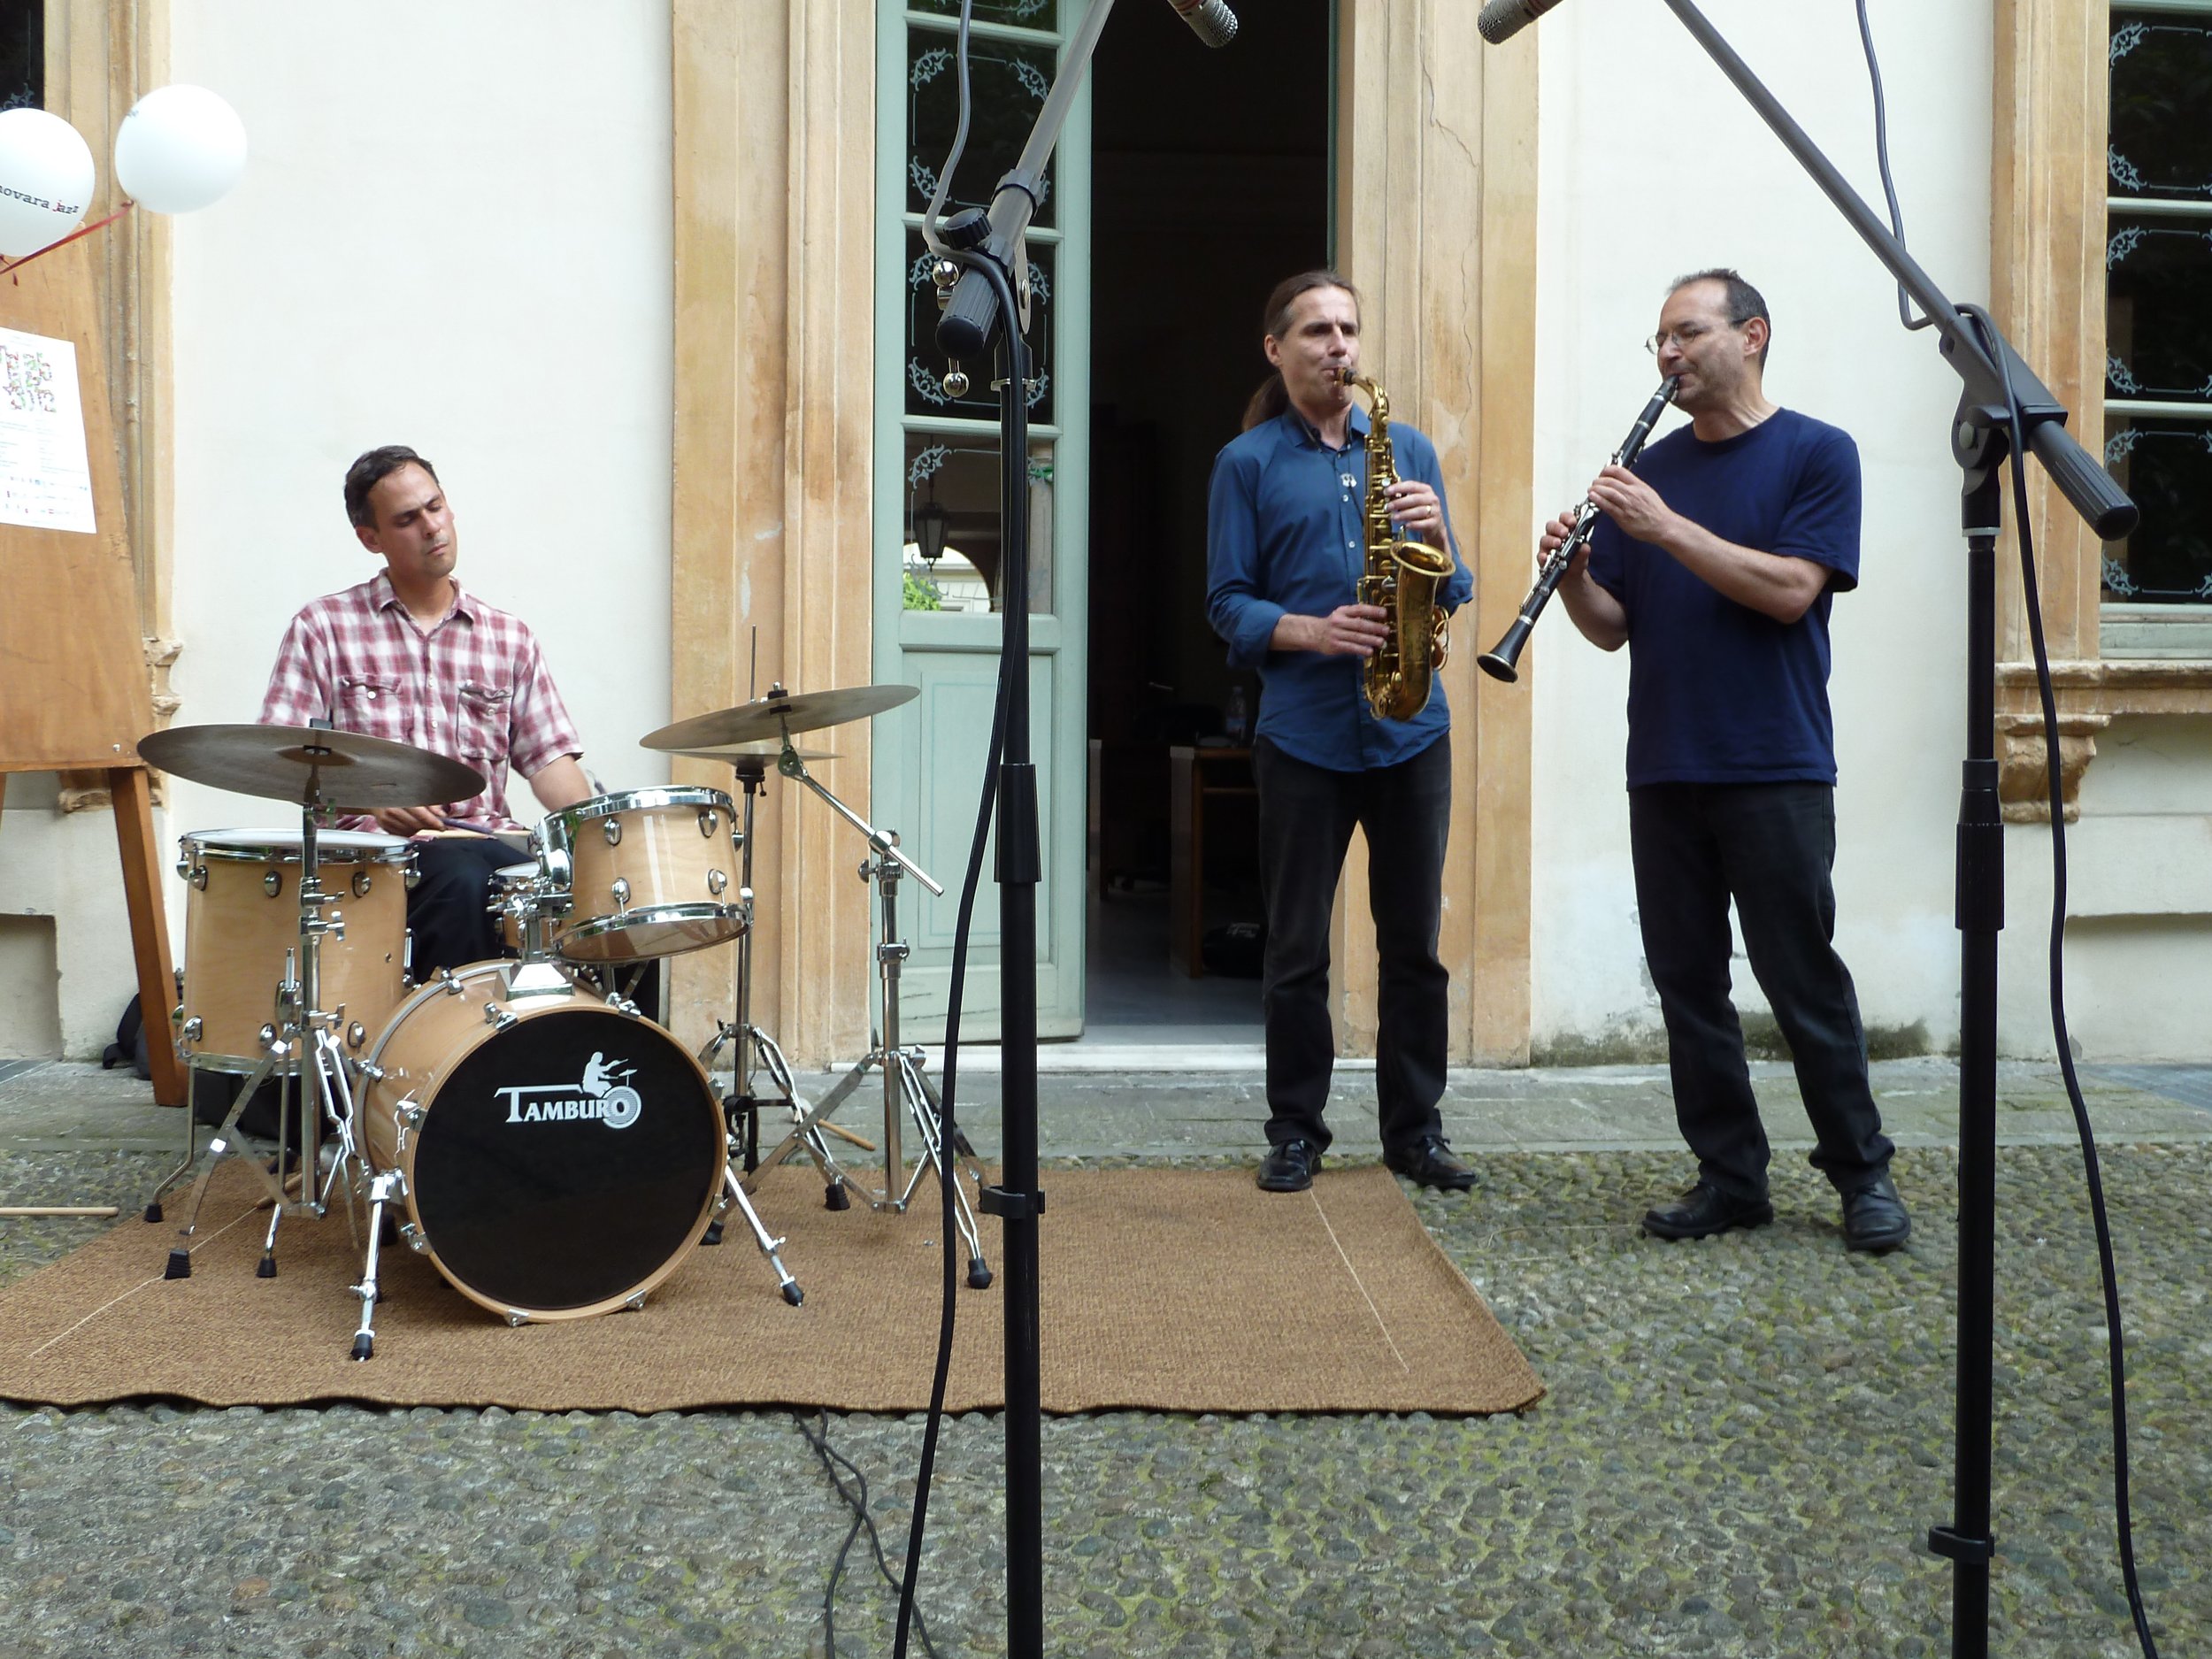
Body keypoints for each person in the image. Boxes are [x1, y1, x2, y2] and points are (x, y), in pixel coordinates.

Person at [1547, 268, 1910, 1252]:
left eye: (1686, 333)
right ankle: (1729, 1176)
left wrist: (1663, 526)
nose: (1667, 355)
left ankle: (1860, 1176)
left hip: (1774, 760)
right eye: (1657, 340)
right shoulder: (1654, 467)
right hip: (1664, 762)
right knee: (1688, 985)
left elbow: (1791, 590)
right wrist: (1575, 576)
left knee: (1801, 979)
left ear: (1751, 334)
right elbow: (1612, 628)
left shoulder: (1814, 453)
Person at [1205, 270, 1477, 1194]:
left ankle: (1416, 1132)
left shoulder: (1408, 451)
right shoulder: (1245, 464)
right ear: (1276, 349)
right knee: (1296, 950)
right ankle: (1295, 1132)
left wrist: (1437, 537)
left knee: (1413, 947)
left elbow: (1458, 589)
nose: (1338, 347)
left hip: (1410, 729)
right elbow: (1225, 603)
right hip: (1304, 734)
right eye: (1317, 330)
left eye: (1348, 329)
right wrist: (1313, 630)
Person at [258, 445, 594, 976]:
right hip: (371, 857)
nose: (431, 527)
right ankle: (457, 1052)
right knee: (460, 876)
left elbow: (551, 760)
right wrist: (370, 803)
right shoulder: (323, 628)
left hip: (484, 842)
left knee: (601, 896)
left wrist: (601, 839)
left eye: (435, 507)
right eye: (407, 520)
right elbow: (280, 761)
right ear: (372, 539)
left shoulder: (509, 638)